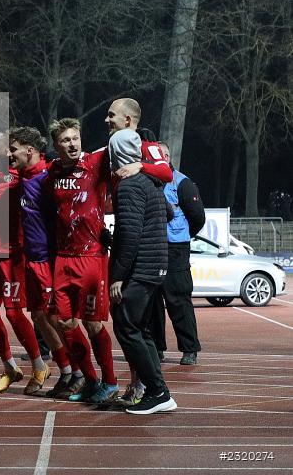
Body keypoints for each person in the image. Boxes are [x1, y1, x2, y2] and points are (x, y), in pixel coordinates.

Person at [46, 119, 119, 404]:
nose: (72, 144)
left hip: (92, 257)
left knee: (93, 324)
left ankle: (110, 382)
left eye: (75, 138)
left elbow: (129, 142)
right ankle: (90, 380)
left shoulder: (95, 162)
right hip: (64, 258)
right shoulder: (52, 171)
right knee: (63, 322)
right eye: (65, 140)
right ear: (56, 145)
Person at [108, 129, 177, 415]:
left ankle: (158, 391)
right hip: (155, 264)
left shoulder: (128, 186)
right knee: (142, 329)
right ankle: (157, 390)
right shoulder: (150, 182)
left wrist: (118, 275)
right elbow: (169, 213)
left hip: (140, 268)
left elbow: (131, 234)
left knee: (126, 327)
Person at [0, 131, 48, 395]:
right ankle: (9, 367)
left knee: (15, 314)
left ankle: (39, 365)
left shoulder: (20, 176)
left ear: (9, 149)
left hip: (13, 254)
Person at [7, 128, 77, 397]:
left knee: (57, 318)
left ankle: (78, 372)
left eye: (13, 149)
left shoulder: (49, 177)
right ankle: (66, 370)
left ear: (29, 150)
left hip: (49, 259)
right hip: (31, 258)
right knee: (37, 316)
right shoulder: (21, 176)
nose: (9, 154)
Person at [153, 141, 205, 366]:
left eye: (162, 154)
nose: (159, 158)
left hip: (176, 249)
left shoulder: (183, 183)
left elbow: (198, 218)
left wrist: (182, 235)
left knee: (178, 300)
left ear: (168, 156)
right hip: (153, 248)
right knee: (152, 301)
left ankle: (189, 349)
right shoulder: (150, 181)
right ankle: (156, 348)